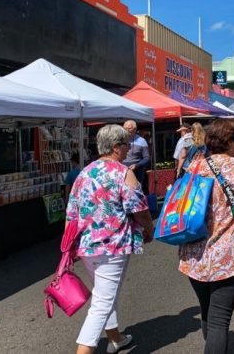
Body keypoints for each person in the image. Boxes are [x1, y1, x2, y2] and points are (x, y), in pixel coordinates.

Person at [179, 119, 234, 354]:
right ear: (229, 141)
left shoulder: (195, 166)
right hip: (228, 256)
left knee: (207, 310)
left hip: (193, 252)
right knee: (220, 319)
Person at [67, 124, 154, 354]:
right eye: (126, 144)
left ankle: (116, 338)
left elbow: (71, 212)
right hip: (112, 245)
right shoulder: (123, 173)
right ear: (116, 147)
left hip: (87, 246)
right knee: (102, 302)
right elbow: (140, 209)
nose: (128, 148)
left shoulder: (84, 173)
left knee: (105, 292)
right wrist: (149, 228)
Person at [122, 120, 151, 189]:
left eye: (129, 128)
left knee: (136, 191)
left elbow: (147, 158)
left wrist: (137, 165)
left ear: (135, 129)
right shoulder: (120, 140)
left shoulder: (141, 141)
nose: (126, 130)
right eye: (124, 128)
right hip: (122, 171)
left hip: (137, 171)